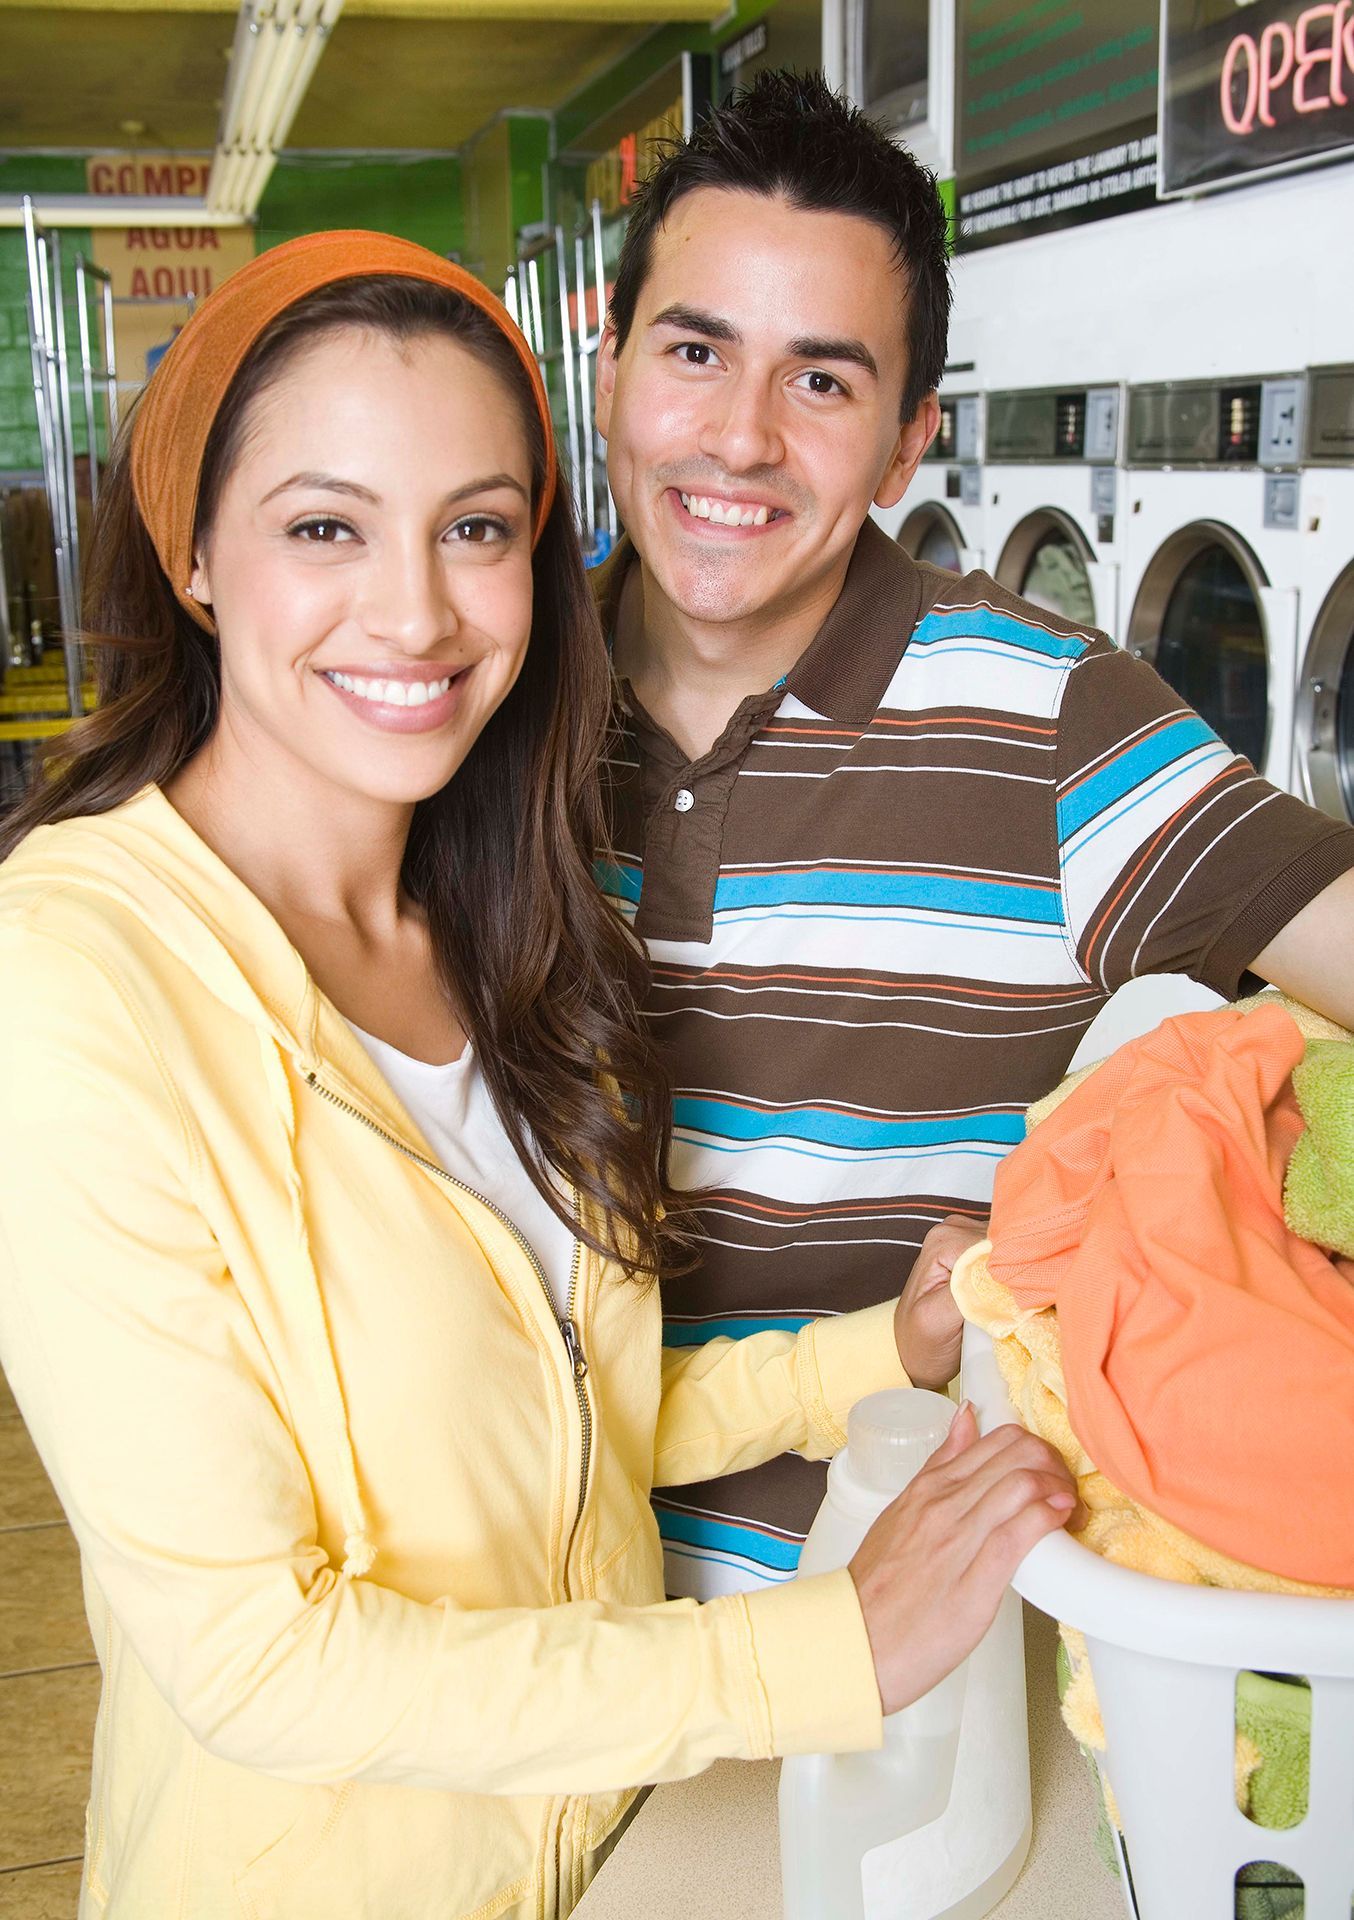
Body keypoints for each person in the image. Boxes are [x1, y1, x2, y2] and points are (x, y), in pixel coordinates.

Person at [0, 232, 1077, 1920]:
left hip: (603, 1850)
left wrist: (892, 1349)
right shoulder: (70, 981)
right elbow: (256, 1660)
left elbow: (557, 1426)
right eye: (323, 528)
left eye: (478, 529)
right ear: (195, 551)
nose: (418, 611)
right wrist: (826, 1650)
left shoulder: (490, 916)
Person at [591, 71, 1354, 1600]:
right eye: (693, 352)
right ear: (608, 366)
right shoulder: (472, 697)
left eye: (821, 381)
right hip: (532, 1573)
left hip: (888, 1590)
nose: (738, 439)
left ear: (903, 442)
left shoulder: (1052, 715)